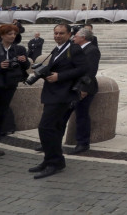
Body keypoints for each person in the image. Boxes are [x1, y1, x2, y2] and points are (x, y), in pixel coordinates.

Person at [30, 24, 87, 179]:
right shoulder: (57, 49)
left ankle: (54, 162)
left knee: (45, 127)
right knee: (52, 129)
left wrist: (59, 77)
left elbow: (83, 69)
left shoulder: (74, 49)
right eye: (55, 33)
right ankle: (51, 160)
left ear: (69, 34)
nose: (58, 36)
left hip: (63, 94)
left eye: (61, 33)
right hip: (53, 93)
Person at [67, 27, 100, 154]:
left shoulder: (92, 50)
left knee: (82, 115)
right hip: (71, 86)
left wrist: (84, 88)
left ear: (83, 37)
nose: (73, 38)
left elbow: (90, 71)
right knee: (63, 114)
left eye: (75, 36)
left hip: (83, 88)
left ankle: (83, 143)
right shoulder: (75, 48)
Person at [0, 24, 29, 157]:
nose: (12, 36)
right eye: (9, 34)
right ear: (2, 35)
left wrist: (24, 60)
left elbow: (26, 66)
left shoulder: (19, 49)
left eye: (14, 34)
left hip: (10, 85)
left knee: (1, 114)